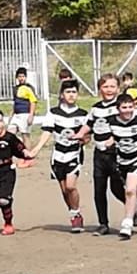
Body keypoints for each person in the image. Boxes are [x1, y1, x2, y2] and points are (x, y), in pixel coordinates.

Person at [31, 78, 89, 232]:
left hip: (74, 155)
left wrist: (84, 140)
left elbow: (88, 136)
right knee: (64, 190)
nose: (71, 95)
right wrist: (36, 149)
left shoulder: (83, 114)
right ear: (62, 95)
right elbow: (47, 132)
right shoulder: (53, 113)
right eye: (68, 92)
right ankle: (73, 214)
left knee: (71, 187)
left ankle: (76, 215)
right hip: (57, 156)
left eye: (74, 92)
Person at [101, 91, 137, 240]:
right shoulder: (112, 121)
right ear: (118, 109)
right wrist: (109, 142)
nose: (127, 110)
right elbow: (115, 134)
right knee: (134, 190)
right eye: (124, 107)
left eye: (130, 107)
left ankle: (127, 224)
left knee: (130, 190)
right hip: (122, 161)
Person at [85, 73, 131, 236]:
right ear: (99, 89)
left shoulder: (121, 107)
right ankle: (103, 223)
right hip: (99, 154)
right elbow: (88, 125)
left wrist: (113, 140)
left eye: (112, 86)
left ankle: (132, 209)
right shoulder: (96, 108)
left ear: (118, 89)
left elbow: (127, 125)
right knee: (99, 189)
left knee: (117, 188)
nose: (109, 90)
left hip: (116, 153)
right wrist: (78, 135)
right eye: (105, 86)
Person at [10, 67, 39, 138]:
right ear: (17, 78)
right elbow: (15, 102)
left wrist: (31, 115)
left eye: (23, 76)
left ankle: (27, 148)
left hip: (25, 114)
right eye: (19, 76)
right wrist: (11, 115)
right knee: (10, 133)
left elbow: (33, 102)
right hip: (17, 115)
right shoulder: (15, 88)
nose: (21, 78)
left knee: (25, 135)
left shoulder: (29, 88)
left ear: (25, 77)